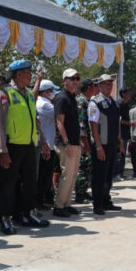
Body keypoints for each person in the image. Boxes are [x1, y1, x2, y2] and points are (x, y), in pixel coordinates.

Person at [0, 59, 50, 235]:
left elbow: (35, 120)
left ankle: (27, 213)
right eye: (27, 73)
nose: (30, 76)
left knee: (30, 182)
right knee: (8, 184)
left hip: (28, 145)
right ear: (18, 75)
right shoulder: (4, 93)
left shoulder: (29, 95)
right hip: (12, 145)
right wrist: (2, 150)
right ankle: (5, 218)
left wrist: (43, 141)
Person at [88, 74, 123, 215]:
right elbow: (93, 125)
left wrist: (120, 143)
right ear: (100, 86)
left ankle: (106, 201)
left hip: (112, 143)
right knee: (99, 176)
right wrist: (98, 146)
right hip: (101, 144)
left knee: (109, 175)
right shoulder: (95, 102)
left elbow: (117, 124)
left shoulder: (114, 102)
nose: (109, 86)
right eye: (106, 83)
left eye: (110, 83)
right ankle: (97, 204)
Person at [52, 69, 82, 217]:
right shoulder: (62, 98)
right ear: (64, 80)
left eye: (77, 78)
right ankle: (58, 206)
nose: (76, 81)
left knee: (73, 174)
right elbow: (59, 122)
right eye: (72, 78)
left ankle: (67, 203)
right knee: (67, 174)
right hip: (66, 143)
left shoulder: (72, 97)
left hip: (74, 142)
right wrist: (66, 142)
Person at [36, 79, 57, 209]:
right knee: (44, 175)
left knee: (46, 175)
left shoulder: (45, 102)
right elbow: (60, 111)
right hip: (46, 144)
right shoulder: (44, 104)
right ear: (44, 91)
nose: (53, 93)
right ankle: (39, 201)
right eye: (51, 90)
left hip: (48, 143)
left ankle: (43, 199)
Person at [74, 78, 95, 204]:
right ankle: (79, 194)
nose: (95, 89)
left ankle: (84, 191)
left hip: (87, 137)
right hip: (83, 138)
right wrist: (84, 140)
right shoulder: (82, 101)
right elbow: (81, 122)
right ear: (88, 88)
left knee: (87, 166)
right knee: (83, 166)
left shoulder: (87, 100)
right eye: (93, 86)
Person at [117, 88, 134, 179]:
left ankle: (121, 173)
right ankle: (118, 174)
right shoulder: (120, 104)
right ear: (123, 94)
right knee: (121, 153)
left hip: (126, 132)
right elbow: (118, 120)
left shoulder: (126, 104)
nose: (130, 94)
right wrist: (130, 123)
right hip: (121, 133)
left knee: (123, 153)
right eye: (128, 93)